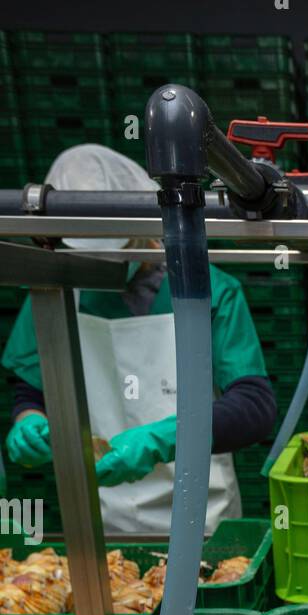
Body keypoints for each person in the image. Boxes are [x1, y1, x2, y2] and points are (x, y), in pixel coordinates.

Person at [2, 145, 276, 534]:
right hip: (100, 522)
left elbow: (255, 405)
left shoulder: (210, 290)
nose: (101, 270)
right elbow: (31, 392)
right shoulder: (55, 291)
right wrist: (30, 423)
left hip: (203, 518)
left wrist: (163, 438)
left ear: (145, 231)